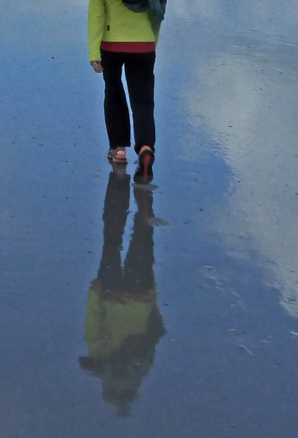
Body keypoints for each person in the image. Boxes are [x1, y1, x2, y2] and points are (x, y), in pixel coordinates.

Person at [82, 0, 166, 178]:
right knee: (143, 100)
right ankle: (145, 147)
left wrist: (93, 52)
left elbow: (96, 15)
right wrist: (154, 42)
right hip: (143, 44)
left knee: (114, 94)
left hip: (111, 44)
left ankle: (119, 149)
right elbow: (157, 7)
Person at [79, 166, 165, 415]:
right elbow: (93, 325)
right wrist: (95, 294)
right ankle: (124, 207)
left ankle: (143, 216)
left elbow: (154, 326)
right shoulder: (103, 360)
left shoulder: (142, 365)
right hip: (112, 293)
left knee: (141, 243)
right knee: (112, 241)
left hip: (141, 295)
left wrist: (152, 290)